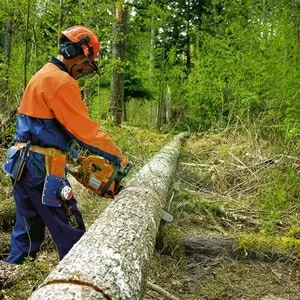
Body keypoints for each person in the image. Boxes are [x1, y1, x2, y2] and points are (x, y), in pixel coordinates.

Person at [2, 25, 128, 264]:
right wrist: (118, 158)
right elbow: (87, 133)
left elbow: (44, 127)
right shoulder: (62, 82)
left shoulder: (42, 74)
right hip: (43, 170)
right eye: (85, 64)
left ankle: (13, 273)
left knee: (27, 233)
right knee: (73, 235)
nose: (82, 71)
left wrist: (73, 155)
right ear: (76, 51)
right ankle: (78, 282)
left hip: (21, 164)